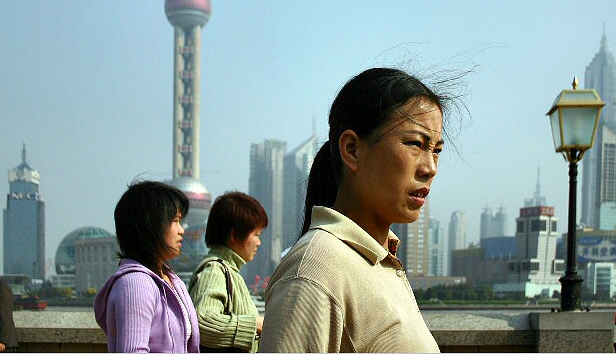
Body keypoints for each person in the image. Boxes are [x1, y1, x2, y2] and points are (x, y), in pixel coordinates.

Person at [260, 67, 459, 353]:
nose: (430, 168)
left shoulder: (381, 261)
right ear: (352, 149)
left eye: (436, 150)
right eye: (416, 144)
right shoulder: (315, 271)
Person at [94, 180, 200, 352]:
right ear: (151, 225)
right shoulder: (135, 284)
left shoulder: (172, 280)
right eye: (175, 220)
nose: (182, 230)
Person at [188, 191, 268, 352]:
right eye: (256, 234)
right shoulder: (214, 270)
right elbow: (202, 322)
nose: (259, 242)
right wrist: (256, 324)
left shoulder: (230, 272)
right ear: (235, 235)